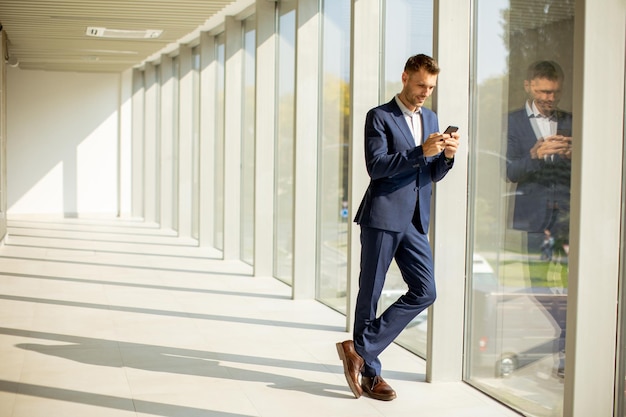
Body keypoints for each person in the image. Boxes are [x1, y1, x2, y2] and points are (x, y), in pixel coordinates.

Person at [336, 54, 459, 401]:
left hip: (416, 220)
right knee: (370, 295)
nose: (425, 93)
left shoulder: (431, 118)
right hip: (383, 216)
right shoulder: (379, 117)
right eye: (421, 85)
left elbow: (430, 174)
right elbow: (376, 167)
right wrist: (421, 151)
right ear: (405, 78)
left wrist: (446, 157)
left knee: (426, 290)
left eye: (431, 87)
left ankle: (358, 348)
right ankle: (371, 375)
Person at [506, 60, 572, 377]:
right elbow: (509, 171)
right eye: (545, 91)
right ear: (529, 86)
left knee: (571, 285)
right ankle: (568, 337)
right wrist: (533, 155)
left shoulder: (572, 121)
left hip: (568, 217)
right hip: (533, 216)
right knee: (539, 287)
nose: (550, 97)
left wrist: (576, 154)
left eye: (555, 92)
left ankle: (568, 349)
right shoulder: (512, 123)